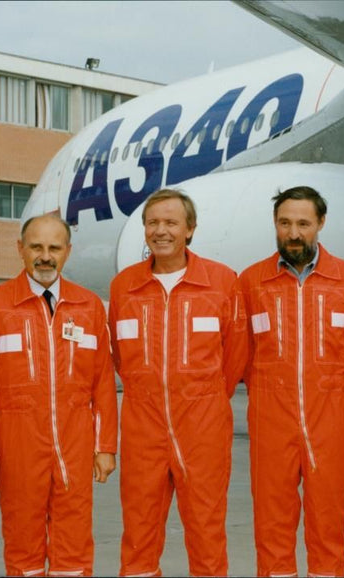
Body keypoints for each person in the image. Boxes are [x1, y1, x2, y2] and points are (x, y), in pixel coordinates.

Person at [0, 213, 117, 576]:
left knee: (75, 546)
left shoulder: (88, 306)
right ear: (20, 249)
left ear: (67, 252)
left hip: (75, 443)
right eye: (36, 247)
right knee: (22, 545)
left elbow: (103, 383)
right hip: (17, 443)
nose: (45, 256)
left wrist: (105, 445)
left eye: (54, 248)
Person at [108, 188, 248, 576]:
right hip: (142, 425)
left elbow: (235, 355)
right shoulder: (124, 287)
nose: (161, 231)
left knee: (205, 530)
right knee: (139, 532)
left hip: (203, 425)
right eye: (152, 223)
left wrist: (201, 398)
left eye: (171, 222)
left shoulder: (221, 282)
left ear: (190, 229)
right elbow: (121, 358)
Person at [238, 186, 344, 576]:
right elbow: (240, 353)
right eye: (284, 223)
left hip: (329, 419)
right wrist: (269, 393)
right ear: (275, 225)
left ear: (320, 224)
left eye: (303, 223)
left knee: (328, 522)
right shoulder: (251, 282)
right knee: (272, 523)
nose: (293, 233)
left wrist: (329, 397)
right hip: (270, 420)